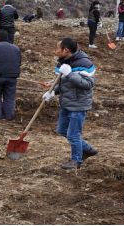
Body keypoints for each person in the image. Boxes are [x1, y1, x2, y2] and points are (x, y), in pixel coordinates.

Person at [42, 38, 98, 169]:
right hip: (66, 103)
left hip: (79, 104)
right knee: (62, 130)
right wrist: (52, 92)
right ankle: (88, 149)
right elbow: (62, 84)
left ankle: (76, 161)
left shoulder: (85, 63)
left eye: (57, 49)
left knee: (73, 135)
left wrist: (71, 74)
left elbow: (88, 84)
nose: (55, 51)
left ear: (65, 50)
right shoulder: (62, 63)